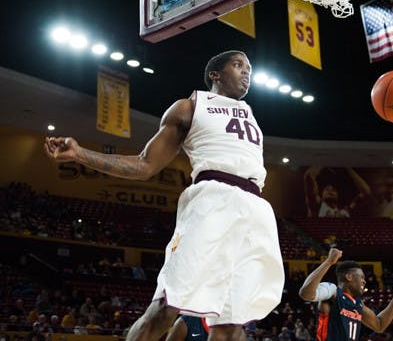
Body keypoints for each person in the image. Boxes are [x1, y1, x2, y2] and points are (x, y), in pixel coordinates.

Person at [44, 51, 285, 341]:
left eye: (248, 68)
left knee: (233, 324)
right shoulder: (190, 107)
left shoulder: (250, 113)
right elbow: (145, 164)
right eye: (238, 65)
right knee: (166, 307)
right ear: (215, 75)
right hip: (213, 201)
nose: (246, 72)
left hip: (255, 209)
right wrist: (81, 154)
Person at [298, 248, 393, 341]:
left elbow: (379, 325)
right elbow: (305, 294)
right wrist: (329, 262)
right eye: (361, 277)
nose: (364, 281)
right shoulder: (333, 291)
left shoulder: (357, 303)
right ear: (349, 277)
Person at [304, 167, 372, 217]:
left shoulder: (346, 210)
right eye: (327, 189)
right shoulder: (316, 207)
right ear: (321, 195)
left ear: (338, 196)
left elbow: (367, 192)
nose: (330, 191)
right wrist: (324, 162)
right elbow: (308, 176)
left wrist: (347, 167)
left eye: (333, 190)